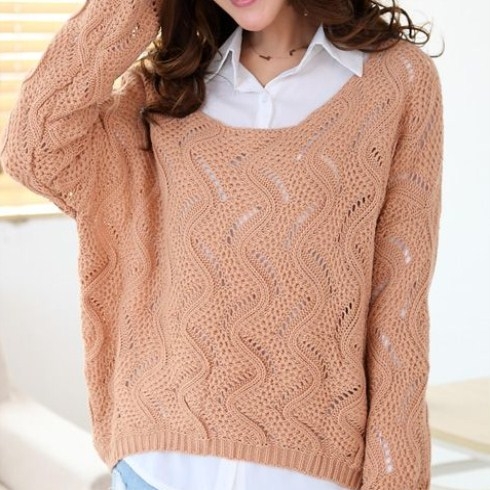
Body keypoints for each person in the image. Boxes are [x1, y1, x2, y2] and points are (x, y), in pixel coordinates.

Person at [0, 0, 444, 488]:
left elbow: (398, 305)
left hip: (313, 475)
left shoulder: (395, 81)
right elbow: (32, 151)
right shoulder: (163, 90)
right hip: (155, 467)